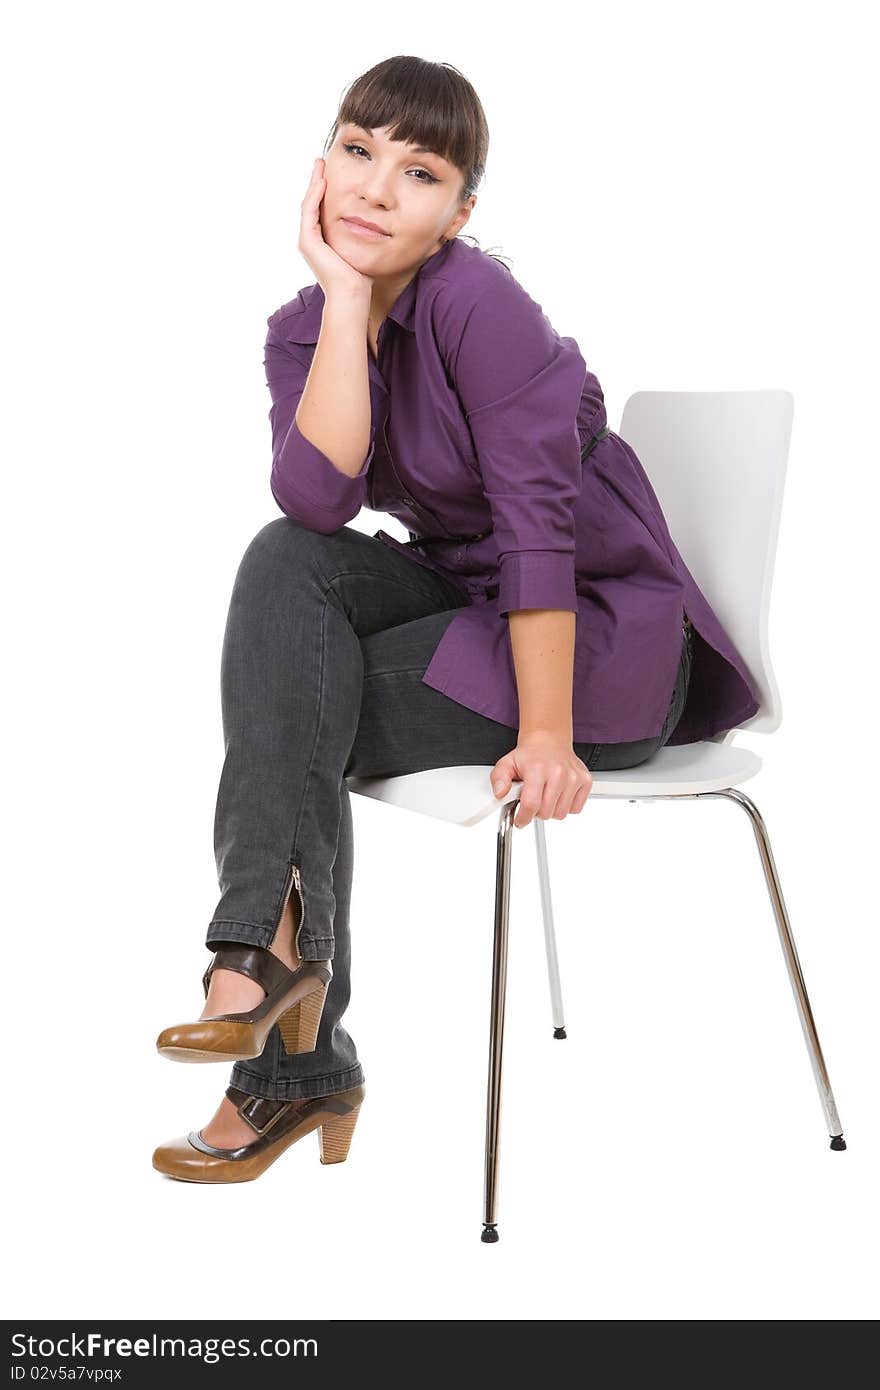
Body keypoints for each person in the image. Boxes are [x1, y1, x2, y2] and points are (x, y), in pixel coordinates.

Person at [152, 55, 758, 1184]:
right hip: (467, 607)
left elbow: (541, 527)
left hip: (596, 644)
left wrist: (545, 732)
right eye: (356, 148)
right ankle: (278, 989)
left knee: (290, 711)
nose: (376, 188)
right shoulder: (304, 328)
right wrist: (343, 301)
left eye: (418, 171)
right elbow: (318, 503)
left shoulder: (479, 303)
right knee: (287, 565)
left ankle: (272, 1003)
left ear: (458, 212)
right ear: (321, 163)